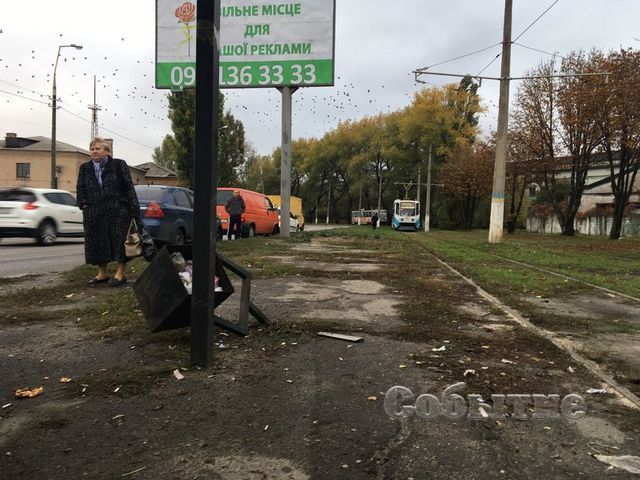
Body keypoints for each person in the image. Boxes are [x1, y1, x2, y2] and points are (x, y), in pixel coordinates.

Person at [76, 137, 140, 287]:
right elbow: (80, 188)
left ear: (107, 151)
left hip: (117, 210)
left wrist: (133, 209)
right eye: (92, 149)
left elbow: (129, 187)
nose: (94, 151)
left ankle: (120, 274)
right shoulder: (85, 168)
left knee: (119, 241)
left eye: (98, 148)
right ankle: (102, 274)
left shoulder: (118, 165)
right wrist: (84, 205)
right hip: (95, 211)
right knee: (98, 242)